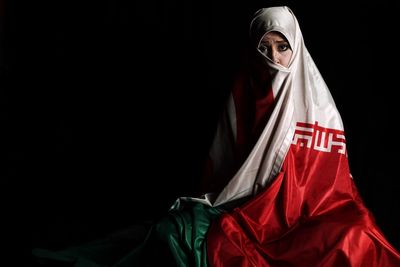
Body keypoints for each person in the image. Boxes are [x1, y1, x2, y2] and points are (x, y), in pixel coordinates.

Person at [32, 5, 400, 267]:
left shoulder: (321, 109)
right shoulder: (243, 99)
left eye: (282, 47)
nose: (273, 58)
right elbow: (224, 171)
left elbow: (332, 185)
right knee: (177, 234)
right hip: (247, 211)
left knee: (355, 236)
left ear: (296, 49)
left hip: (309, 216)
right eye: (264, 48)